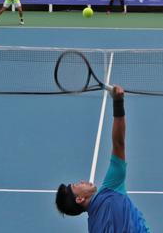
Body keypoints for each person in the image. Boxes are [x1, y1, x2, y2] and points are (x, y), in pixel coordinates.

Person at [55, 86, 150, 232]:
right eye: (76, 185)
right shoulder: (111, 188)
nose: (82, 181)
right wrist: (118, 102)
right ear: (79, 199)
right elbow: (118, 144)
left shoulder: (94, 229)